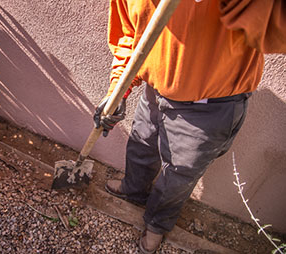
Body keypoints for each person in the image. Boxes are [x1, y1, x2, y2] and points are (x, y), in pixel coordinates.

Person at [93, 0, 286, 253]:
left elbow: (277, 33)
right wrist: (118, 89)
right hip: (155, 90)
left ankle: (156, 224)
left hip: (208, 108)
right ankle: (133, 189)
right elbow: (130, 35)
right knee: (141, 145)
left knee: (178, 176)